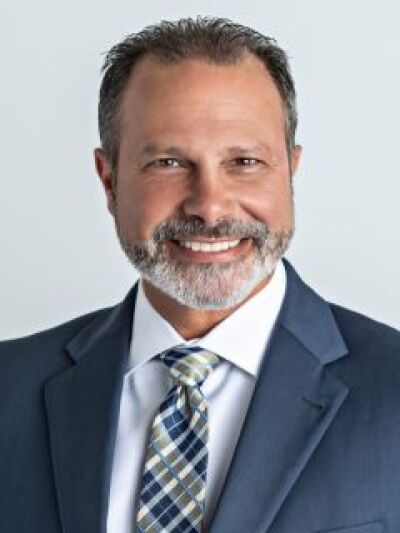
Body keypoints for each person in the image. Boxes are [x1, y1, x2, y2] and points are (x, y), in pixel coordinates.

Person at [0, 16, 399, 533]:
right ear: (109, 180)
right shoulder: (9, 388)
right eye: (168, 162)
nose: (209, 206)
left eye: (245, 161)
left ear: (291, 171)